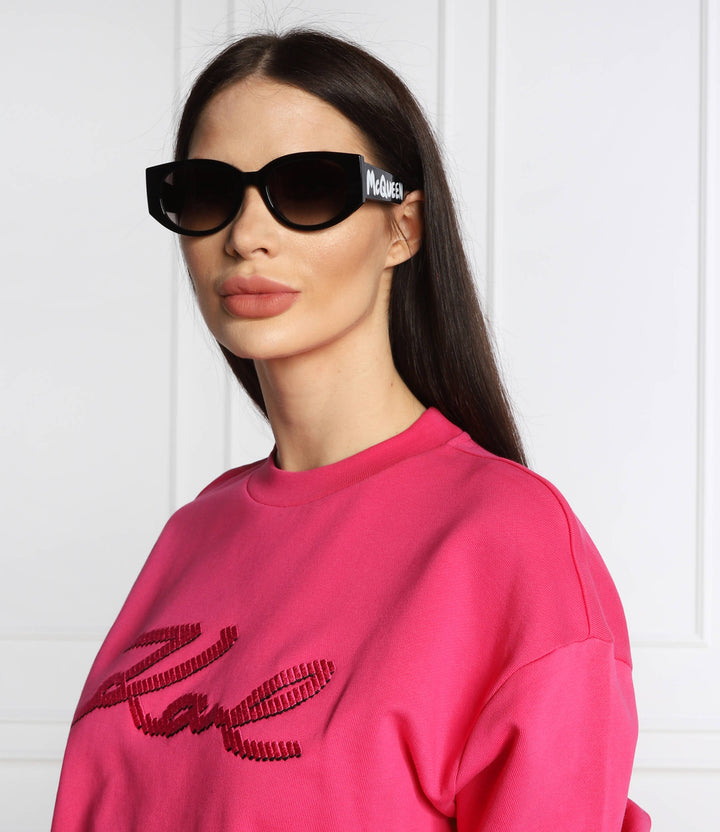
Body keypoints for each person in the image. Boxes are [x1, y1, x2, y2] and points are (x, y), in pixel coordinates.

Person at [51, 29, 651, 831]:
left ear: (402, 228)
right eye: (207, 193)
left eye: (306, 188)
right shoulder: (192, 536)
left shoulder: (511, 543)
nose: (246, 235)